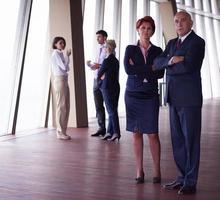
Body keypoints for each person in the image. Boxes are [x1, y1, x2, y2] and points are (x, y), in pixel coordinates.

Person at [153, 11, 205, 195]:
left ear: (191, 22)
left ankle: (190, 181)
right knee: (177, 141)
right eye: (176, 21)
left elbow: (189, 66)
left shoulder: (197, 42)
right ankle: (182, 177)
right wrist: (172, 60)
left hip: (190, 99)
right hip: (173, 98)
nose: (179, 24)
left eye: (183, 20)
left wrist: (170, 64)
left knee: (191, 140)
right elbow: (156, 63)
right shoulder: (172, 43)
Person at [124, 16, 164, 184]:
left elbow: (160, 73)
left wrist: (139, 69)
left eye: (149, 28)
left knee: (153, 134)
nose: (146, 31)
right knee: (136, 133)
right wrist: (150, 68)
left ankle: (157, 170)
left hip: (150, 95)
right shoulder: (130, 49)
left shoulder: (158, 51)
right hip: (133, 94)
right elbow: (128, 69)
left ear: (152, 31)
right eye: (143, 28)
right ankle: (139, 170)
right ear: (138, 29)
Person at [97, 40, 120, 141]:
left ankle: (116, 132)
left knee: (111, 111)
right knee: (113, 110)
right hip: (115, 87)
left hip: (107, 87)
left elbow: (99, 74)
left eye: (105, 47)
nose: (104, 49)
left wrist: (102, 77)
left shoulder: (106, 61)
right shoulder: (116, 60)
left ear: (108, 48)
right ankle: (109, 132)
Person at [87, 30, 108, 137]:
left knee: (108, 105)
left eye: (99, 37)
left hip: (105, 80)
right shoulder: (96, 49)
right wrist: (90, 65)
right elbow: (97, 64)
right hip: (96, 79)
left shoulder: (109, 49)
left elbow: (109, 64)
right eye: (97, 37)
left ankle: (111, 130)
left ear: (105, 37)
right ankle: (101, 128)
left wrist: (98, 66)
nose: (97, 39)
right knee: (98, 105)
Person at [51, 36, 71, 140]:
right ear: (55, 44)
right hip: (59, 80)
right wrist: (67, 57)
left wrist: (67, 57)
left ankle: (63, 131)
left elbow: (67, 68)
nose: (62, 45)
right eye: (60, 43)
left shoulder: (61, 54)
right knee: (61, 106)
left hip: (64, 80)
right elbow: (64, 67)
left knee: (66, 106)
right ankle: (60, 131)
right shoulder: (55, 53)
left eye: (63, 43)